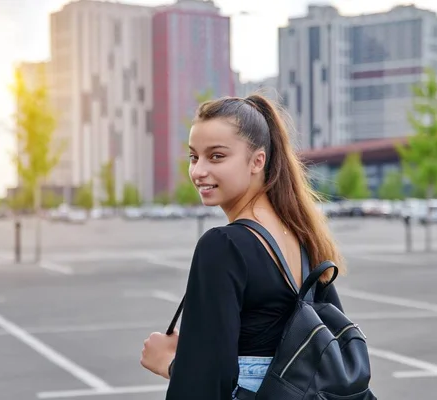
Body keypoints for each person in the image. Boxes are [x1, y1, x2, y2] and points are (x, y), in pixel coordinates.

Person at [140, 94, 346, 399]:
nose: (198, 171)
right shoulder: (303, 237)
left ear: (257, 161)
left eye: (217, 156)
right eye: (194, 157)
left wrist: (170, 363)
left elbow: (209, 382)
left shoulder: (224, 246)